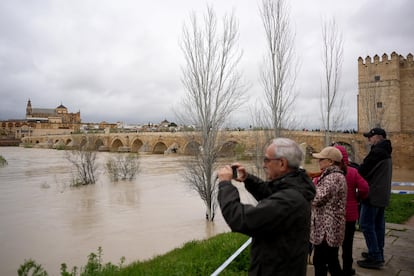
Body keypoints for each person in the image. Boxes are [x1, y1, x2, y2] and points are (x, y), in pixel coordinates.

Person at [217, 138, 316, 275]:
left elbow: (241, 219)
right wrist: (247, 179)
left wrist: (225, 185)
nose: (263, 165)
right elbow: (271, 193)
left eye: (267, 160)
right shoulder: (295, 185)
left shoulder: (289, 201)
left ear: (282, 163)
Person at [357, 128, 392, 269]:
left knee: (365, 224)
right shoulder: (386, 151)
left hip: (373, 194)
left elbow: (363, 170)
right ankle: (378, 252)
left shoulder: (377, 152)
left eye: (370, 137)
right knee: (378, 225)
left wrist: (352, 166)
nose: (369, 139)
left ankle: (375, 257)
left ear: (378, 137)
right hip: (382, 194)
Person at [310, 146, 347, 276]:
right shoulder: (334, 175)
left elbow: (316, 199)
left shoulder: (333, 177)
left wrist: (306, 185)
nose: (318, 161)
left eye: (321, 159)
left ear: (330, 161)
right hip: (329, 227)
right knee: (331, 261)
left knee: (320, 262)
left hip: (327, 229)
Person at [333, 145, 369, 276]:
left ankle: (334, 267)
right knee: (348, 244)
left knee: (334, 243)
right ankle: (348, 269)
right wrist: (358, 197)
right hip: (351, 214)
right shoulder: (353, 172)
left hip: (335, 215)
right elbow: (364, 188)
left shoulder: (331, 173)